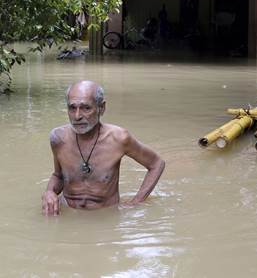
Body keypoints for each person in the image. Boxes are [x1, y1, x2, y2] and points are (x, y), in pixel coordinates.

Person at [42, 80, 165, 215]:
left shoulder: (119, 139)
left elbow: (156, 164)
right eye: (72, 108)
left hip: (105, 216)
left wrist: (136, 202)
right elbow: (58, 176)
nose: (77, 116)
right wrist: (49, 192)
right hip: (68, 214)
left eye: (86, 108)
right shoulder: (58, 138)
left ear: (101, 108)